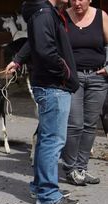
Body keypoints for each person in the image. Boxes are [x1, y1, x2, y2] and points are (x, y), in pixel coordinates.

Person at [5, 0, 80, 204]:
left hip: (51, 85)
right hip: (53, 86)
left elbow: (34, 41)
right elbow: (46, 51)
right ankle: (48, 194)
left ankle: (41, 186)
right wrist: (66, 73)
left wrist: (18, 58)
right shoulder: (44, 13)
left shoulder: (44, 12)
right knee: (52, 141)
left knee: (48, 139)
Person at [61, 0, 108, 186]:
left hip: (98, 78)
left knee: (90, 125)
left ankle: (82, 168)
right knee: (74, 124)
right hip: (74, 78)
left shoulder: (101, 16)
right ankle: (70, 168)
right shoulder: (63, 17)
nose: (77, 3)